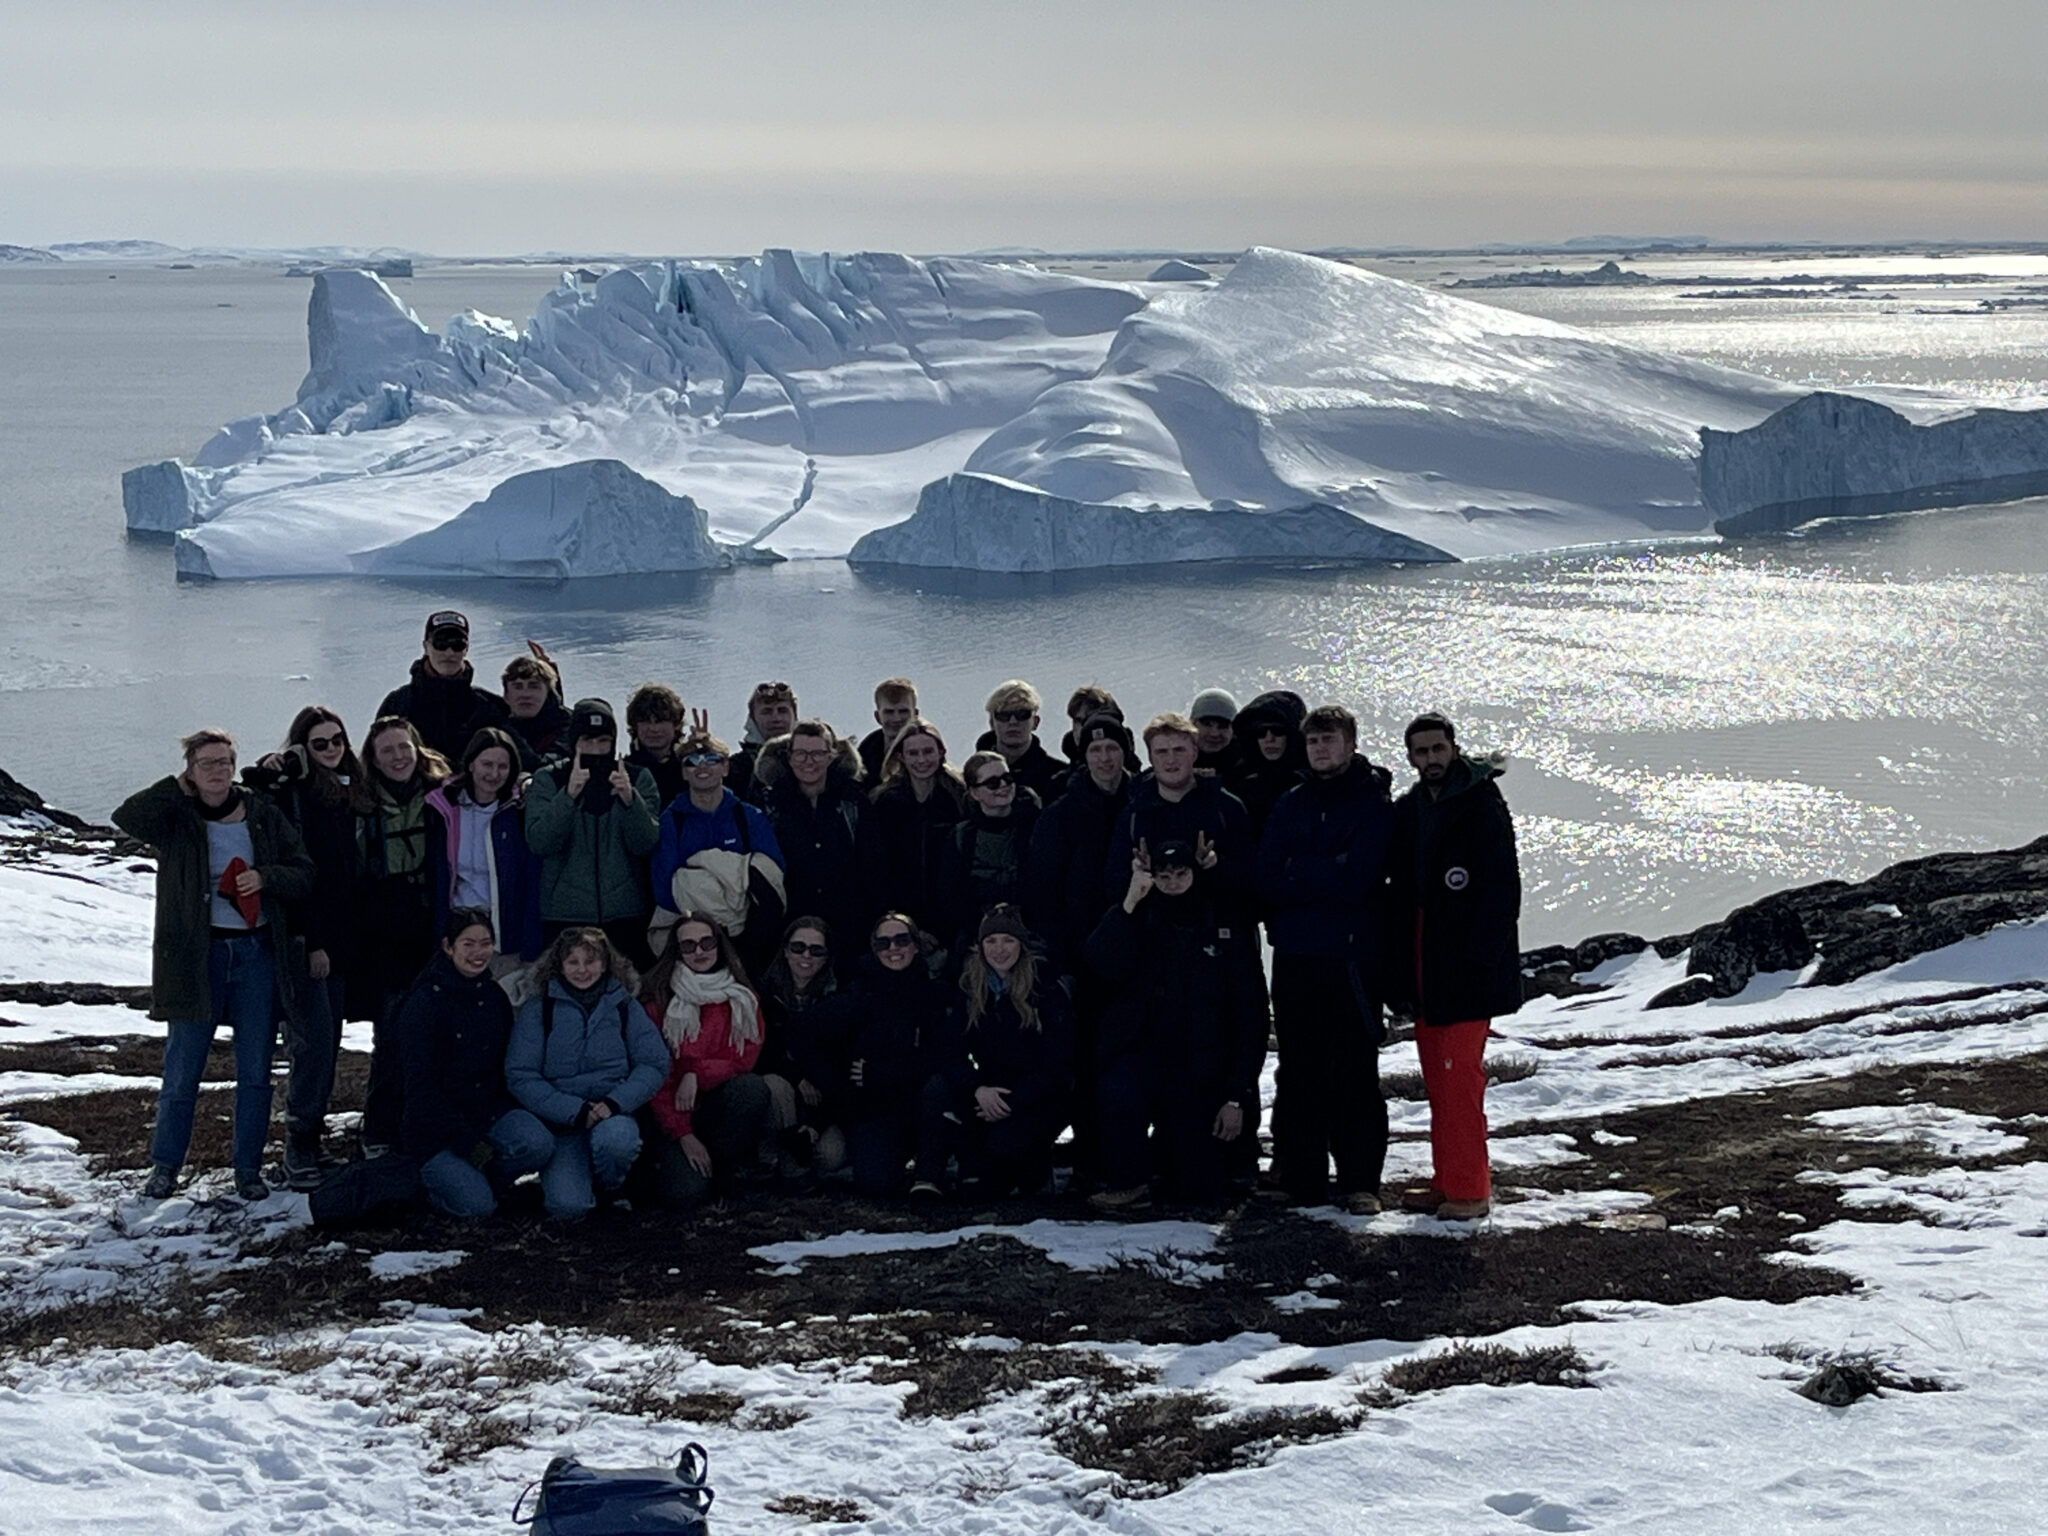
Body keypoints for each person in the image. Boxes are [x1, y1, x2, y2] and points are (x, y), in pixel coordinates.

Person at [116, 729, 316, 1202]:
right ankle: (165, 1166)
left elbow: (303, 870)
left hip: (255, 954)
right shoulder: (176, 818)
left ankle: (247, 1169)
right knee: (183, 1069)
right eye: (207, 763)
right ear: (190, 769)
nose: (219, 771)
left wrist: (264, 877)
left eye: (225, 761)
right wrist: (175, 787)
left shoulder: (262, 815)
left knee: (255, 1070)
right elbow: (126, 817)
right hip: (195, 957)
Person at [1384, 712, 1523, 1222]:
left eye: (1437, 750)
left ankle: (1471, 1188)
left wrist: (1482, 962)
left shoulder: (1482, 803)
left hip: (1466, 966)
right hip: (1426, 960)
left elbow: (1502, 890)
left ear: (1453, 748)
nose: (1430, 760)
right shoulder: (1414, 808)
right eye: (1420, 753)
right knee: (1437, 1077)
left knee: (1459, 1076)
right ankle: (1448, 1179)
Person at [1256, 704, 1394, 1212]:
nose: (1320, 749)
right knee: (1298, 1069)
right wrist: (1324, 871)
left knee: (1355, 1070)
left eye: (1329, 740)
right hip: (1294, 957)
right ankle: (1301, 1175)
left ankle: (1361, 1181)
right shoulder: (1290, 802)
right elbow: (1266, 875)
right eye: (1313, 741)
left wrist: (1302, 873)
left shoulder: (1373, 802)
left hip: (1350, 958)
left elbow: (1360, 876)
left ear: (1351, 743)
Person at [1085, 839, 1267, 1211]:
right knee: (1118, 1089)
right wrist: (1129, 904)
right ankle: (1128, 1182)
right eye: (1162, 875)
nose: (1171, 883)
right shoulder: (1138, 915)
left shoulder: (1222, 922)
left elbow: (1250, 1015)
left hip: (1202, 1060)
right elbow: (1101, 963)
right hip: (1146, 1050)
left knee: (1197, 1187)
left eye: (1180, 874)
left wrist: (1236, 1095)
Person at [242, 706, 362, 1190]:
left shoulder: (341, 795)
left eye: (337, 741)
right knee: (311, 1047)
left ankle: (311, 1142)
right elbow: (303, 878)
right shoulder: (292, 798)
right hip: (308, 942)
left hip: (343, 938)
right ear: (300, 748)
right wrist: (312, 943)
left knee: (327, 1044)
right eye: (320, 744)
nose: (332, 750)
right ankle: (299, 1147)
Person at [396, 908, 553, 1219]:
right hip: (434, 1130)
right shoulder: (424, 1002)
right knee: (476, 1207)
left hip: (486, 1113)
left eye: (486, 943)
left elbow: (505, 1066)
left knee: (539, 1143)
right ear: (448, 946)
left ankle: (484, 1178)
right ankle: (430, 1186)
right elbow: (420, 1090)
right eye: (468, 944)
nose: (479, 953)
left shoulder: (494, 996)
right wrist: (467, 1143)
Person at [505, 926, 670, 1220]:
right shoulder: (539, 1009)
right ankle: (571, 1180)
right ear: (560, 965)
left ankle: (611, 1186)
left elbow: (654, 1063)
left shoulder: (624, 1005)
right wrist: (574, 1111)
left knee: (617, 1141)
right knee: (568, 1209)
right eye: (573, 962)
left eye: (590, 961)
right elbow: (521, 1074)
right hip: (563, 1122)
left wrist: (615, 1103)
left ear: (605, 963)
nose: (582, 970)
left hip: (613, 1112)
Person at [915, 906, 1075, 1197]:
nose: (999, 949)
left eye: (1008, 940)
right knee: (937, 1089)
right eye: (991, 941)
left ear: (1022, 945)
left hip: (1034, 1097)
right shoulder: (970, 987)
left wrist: (1013, 1100)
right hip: (986, 1092)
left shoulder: (1047, 989)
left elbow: (1057, 1063)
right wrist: (977, 1089)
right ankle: (928, 1177)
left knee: (1009, 1153)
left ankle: (1034, 1168)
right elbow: (949, 1049)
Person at [352, 715, 453, 1156]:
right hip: (385, 935)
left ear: (418, 749)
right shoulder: (361, 805)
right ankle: (379, 1129)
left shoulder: (442, 795)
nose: (398, 757)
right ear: (373, 759)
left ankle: (428, 1123)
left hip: (433, 927)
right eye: (387, 750)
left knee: (439, 1034)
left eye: (404, 748)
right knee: (391, 1036)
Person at [805, 913, 948, 1197]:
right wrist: (835, 1083)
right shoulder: (858, 995)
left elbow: (942, 1055)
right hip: (874, 1109)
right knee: (875, 1184)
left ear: (916, 945)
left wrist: (881, 1072)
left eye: (901, 940)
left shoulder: (935, 994)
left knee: (939, 1087)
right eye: (883, 943)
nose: (893, 948)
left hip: (920, 1102)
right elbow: (803, 1032)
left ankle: (928, 1176)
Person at [642, 912, 772, 1210]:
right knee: (686, 1197)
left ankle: (724, 1168)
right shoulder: (658, 1001)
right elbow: (654, 1075)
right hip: (671, 1112)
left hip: (718, 1105)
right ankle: (671, 1167)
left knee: (751, 1089)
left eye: (706, 942)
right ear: (676, 951)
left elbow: (743, 1060)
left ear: (719, 944)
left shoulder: (742, 998)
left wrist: (695, 1073)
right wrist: (683, 1133)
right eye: (688, 946)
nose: (699, 951)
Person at [524, 697, 662, 969]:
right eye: (587, 741)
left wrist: (630, 801)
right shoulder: (548, 779)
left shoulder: (637, 778)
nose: (595, 750)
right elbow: (540, 842)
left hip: (625, 913)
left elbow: (645, 845)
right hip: (564, 915)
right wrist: (569, 796)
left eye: (603, 742)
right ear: (574, 742)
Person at [647, 728, 786, 974]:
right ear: (684, 772)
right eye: (692, 762)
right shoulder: (672, 820)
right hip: (693, 937)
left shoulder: (748, 817)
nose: (703, 767)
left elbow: (771, 874)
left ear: (725, 768)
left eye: (712, 760)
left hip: (745, 933)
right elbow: (666, 886)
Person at [754, 720, 876, 967]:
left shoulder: (853, 801)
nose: (809, 762)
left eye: (818, 753)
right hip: (788, 924)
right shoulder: (769, 804)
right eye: (801, 753)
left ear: (831, 756)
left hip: (848, 924)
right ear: (789, 756)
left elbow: (874, 865)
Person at [424, 726, 544, 975]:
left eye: (503, 766)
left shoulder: (519, 810)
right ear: (471, 765)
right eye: (486, 765)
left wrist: (530, 943)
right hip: (461, 928)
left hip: (505, 931)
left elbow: (531, 880)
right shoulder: (446, 807)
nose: (494, 774)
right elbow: (439, 877)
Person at [1103, 713, 1253, 913]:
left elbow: (1254, 877)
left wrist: (1217, 865)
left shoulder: (1226, 807)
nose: (1171, 760)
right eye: (1162, 752)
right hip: (1155, 932)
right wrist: (1136, 875)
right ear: (1150, 757)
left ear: (1194, 752)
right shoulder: (1133, 816)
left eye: (1179, 750)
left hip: (1217, 928)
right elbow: (1112, 885)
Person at [1025, 712, 1134, 978]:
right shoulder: (1059, 815)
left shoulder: (1143, 803)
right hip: (1079, 944)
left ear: (1125, 752)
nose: (1105, 758)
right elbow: (1042, 890)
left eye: (1112, 748)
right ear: (1084, 755)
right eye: (1095, 750)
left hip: (1138, 938)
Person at [754, 916, 844, 1183]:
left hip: (823, 1096)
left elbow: (841, 1066)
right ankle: (782, 1162)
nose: (806, 956)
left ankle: (800, 1147)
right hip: (782, 1089)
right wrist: (797, 1076)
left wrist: (816, 1123)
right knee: (774, 1085)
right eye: (798, 947)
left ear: (827, 957)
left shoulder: (839, 999)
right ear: (785, 950)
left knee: (830, 1157)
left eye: (816, 950)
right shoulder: (763, 995)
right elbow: (761, 1055)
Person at [868, 720, 967, 934]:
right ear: (901, 757)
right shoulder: (884, 803)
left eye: (928, 751)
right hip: (899, 924)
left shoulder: (959, 799)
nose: (921, 760)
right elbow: (877, 867)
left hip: (952, 923)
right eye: (913, 753)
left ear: (941, 752)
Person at [938, 751, 1042, 951]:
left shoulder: (1035, 827)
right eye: (992, 783)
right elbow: (951, 895)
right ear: (975, 792)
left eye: (1007, 778)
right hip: (976, 938)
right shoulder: (961, 837)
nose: (1003, 786)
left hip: (1031, 934)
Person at [375, 609, 508, 764]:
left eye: (457, 645)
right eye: (441, 643)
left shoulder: (488, 705)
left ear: (466, 649)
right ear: (426, 647)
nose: (449, 652)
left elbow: (523, 751)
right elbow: (376, 757)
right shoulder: (398, 704)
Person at [1225, 690, 1310, 844]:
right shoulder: (1238, 781)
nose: (1269, 739)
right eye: (1261, 732)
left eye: (1278, 731)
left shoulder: (1315, 779)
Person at [975, 680, 1067, 804]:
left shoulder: (1059, 777)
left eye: (1022, 714)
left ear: (1035, 722)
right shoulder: (975, 775)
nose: (1013, 722)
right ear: (992, 723)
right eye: (1003, 716)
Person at [625, 683, 697, 813]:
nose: (654, 729)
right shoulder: (626, 772)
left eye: (661, 721)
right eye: (646, 721)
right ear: (635, 726)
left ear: (676, 725)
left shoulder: (689, 768)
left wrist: (707, 750)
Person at [727, 680, 799, 804]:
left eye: (782, 710)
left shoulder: (815, 759)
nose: (776, 718)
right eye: (767, 712)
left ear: (795, 717)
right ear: (752, 719)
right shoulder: (736, 767)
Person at [501, 651, 570, 770]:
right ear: (506, 696)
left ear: (547, 694)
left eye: (534, 686)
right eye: (518, 687)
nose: (525, 695)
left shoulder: (567, 726)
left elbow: (542, 766)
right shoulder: (495, 725)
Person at [856, 677, 920, 781]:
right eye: (889, 712)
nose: (897, 718)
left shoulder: (927, 747)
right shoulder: (868, 748)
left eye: (903, 711)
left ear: (915, 715)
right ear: (878, 717)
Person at [1057, 684, 1122, 768]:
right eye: (1078, 721)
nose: (1084, 727)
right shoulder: (1058, 779)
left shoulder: (1136, 780)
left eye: (1091, 721)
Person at [1188, 688, 1241, 778]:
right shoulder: (1173, 757)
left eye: (1223, 726)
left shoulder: (1248, 763)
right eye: (1207, 724)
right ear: (1193, 725)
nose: (1214, 733)